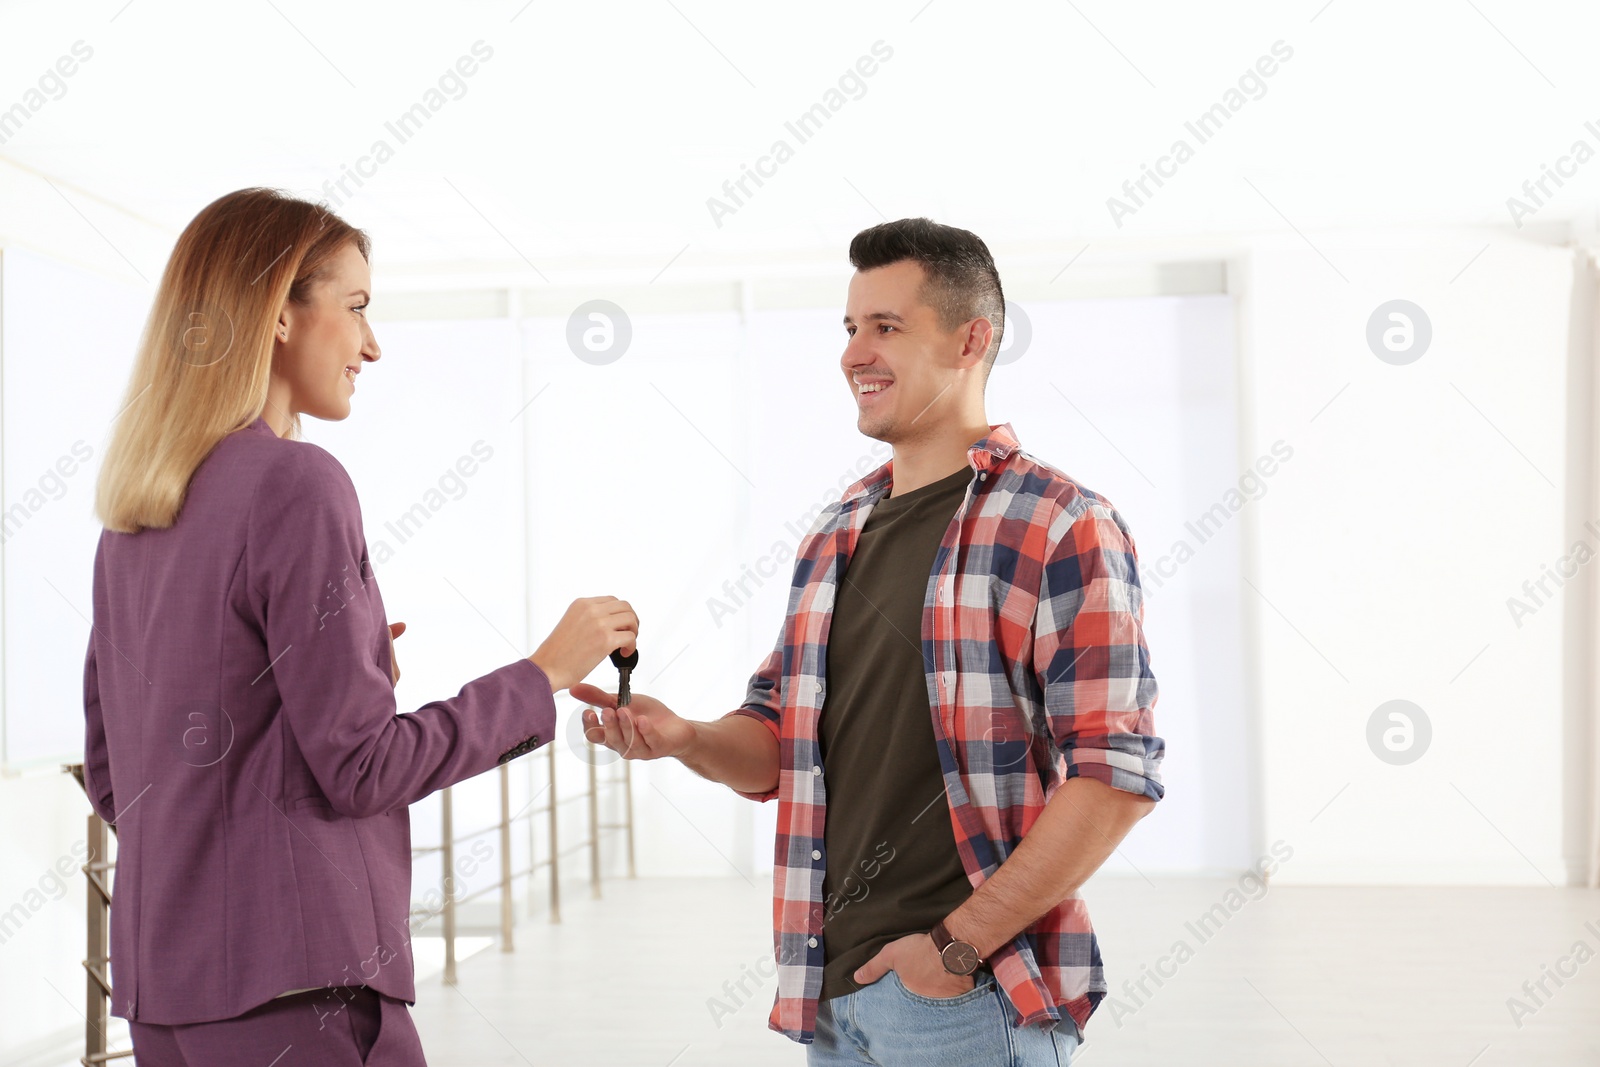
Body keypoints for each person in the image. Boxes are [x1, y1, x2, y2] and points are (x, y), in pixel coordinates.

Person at [578, 218, 1164, 1065]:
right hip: (832, 998)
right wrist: (689, 739)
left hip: (965, 1000)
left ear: (972, 340)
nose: (855, 352)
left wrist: (956, 949)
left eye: (886, 326)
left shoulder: (1060, 523)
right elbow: (782, 740)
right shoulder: (837, 530)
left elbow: (1115, 777)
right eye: (850, 329)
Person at [81, 187, 637, 1066]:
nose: (372, 345)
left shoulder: (135, 514)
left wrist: (317, 696)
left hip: (163, 992)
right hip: (295, 985)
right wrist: (539, 676)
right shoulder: (296, 484)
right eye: (357, 307)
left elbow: (119, 777)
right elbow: (362, 769)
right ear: (279, 316)